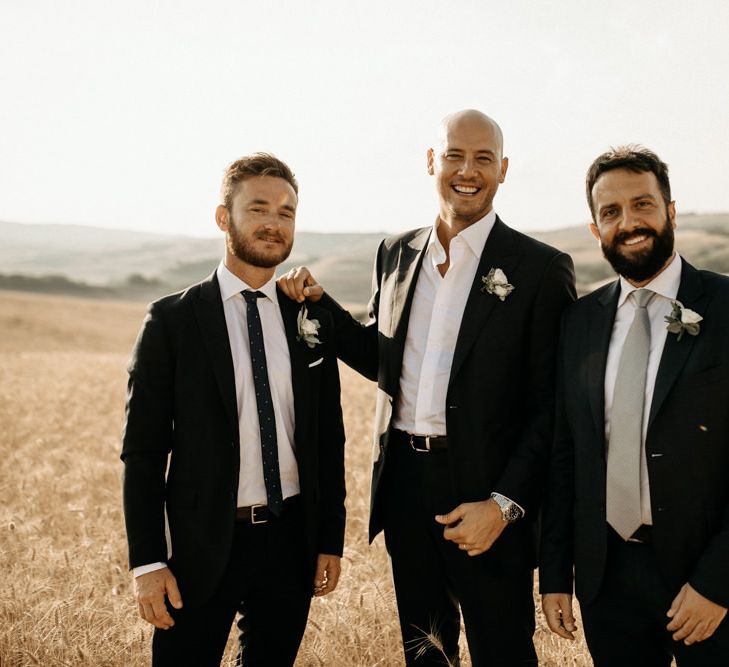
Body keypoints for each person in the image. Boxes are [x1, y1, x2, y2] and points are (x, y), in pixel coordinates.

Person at [279, 110, 576, 665]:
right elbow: (384, 357)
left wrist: (506, 505)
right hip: (406, 490)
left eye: (484, 158)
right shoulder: (395, 252)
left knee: (504, 654)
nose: (468, 170)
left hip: (489, 497)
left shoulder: (540, 268)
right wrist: (323, 308)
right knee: (425, 654)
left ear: (504, 170)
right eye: (455, 155)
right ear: (431, 161)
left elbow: (549, 409)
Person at [121, 153, 346, 666]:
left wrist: (329, 536)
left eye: (286, 212)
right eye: (259, 208)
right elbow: (143, 452)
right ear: (223, 218)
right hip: (199, 548)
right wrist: (148, 562)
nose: (273, 222)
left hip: (291, 543)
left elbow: (326, 437)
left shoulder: (307, 318)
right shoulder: (172, 321)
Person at [540, 145, 729, 666]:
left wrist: (718, 582)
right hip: (608, 579)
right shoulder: (579, 322)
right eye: (611, 212)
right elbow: (566, 454)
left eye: (642, 204)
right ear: (595, 228)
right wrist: (555, 575)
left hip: (707, 582)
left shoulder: (726, 307)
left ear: (671, 210)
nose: (629, 223)